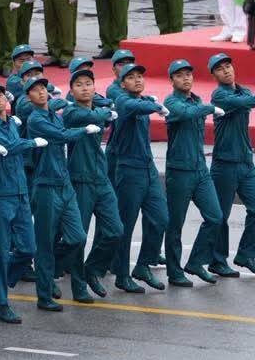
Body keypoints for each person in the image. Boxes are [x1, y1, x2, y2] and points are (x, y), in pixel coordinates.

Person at [24, 75, 95, 309]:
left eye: (43, 88)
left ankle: (50, 265)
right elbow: (62, 136)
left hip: (64, 184)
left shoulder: (54, 114)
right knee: (44, 243)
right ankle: (44, 296)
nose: (41, 92)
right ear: (28, 98)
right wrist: (85, 129)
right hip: (45, 186)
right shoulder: (36, 119)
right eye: (35, 90)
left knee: (78, 237)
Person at [0, 82, 46, 323]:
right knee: (1, 251)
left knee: (28, 248)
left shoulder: (11, 122)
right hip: (0, 193)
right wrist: (33, 142)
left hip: (19, 192)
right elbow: (11, 147)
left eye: (1, 96)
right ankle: (3, 303)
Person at [208, 53, 255, 277]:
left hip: (246, 162)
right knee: (220, 215)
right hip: (224, 164)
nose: (226, 71)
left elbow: (245, 97)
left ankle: (247, 254)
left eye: (228, 66)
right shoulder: (219, 96)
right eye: (219, 69)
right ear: (214, 75)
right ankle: (217, 261)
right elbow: (243, 102)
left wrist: (254, 97)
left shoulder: (242, 91)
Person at [62, 67, 123, 299]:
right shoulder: (71, 113)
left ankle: (93, 269)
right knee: (80, 235)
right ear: (71, 91)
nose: (85, 88)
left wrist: (106, 109)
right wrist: (107, 112)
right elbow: (93, 116)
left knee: (115, 230)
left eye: (89, 83)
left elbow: (102, 111)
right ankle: (78, 285)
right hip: (80, 179)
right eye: (79, 84)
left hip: (101, 178)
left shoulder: (98, 108)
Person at [163, 59, 224, 287]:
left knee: (215, 217)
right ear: (172, 80)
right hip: (179, 172)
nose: (186, 78)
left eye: (188, 74)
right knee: (175, 224)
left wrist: (204, 106)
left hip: (200, 170)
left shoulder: (196, 100)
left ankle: (196, 262)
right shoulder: (171, 102)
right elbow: (186, 114)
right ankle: (174, 271)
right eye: (179, 75)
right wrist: (209, 107)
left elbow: (195, 110)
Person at [111, 63, 170, 293]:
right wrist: (154, 105)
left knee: (161, 217)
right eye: (131, 77)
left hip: (147, 167)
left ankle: (144, 265)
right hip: (129, 168)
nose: (137, 80)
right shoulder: (123, 101)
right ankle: (122, 274)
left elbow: (142, 105)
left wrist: (150, 103)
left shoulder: (143, 101)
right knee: (126, 224)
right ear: (122, 83)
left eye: (139, 77)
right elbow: (136, 106)